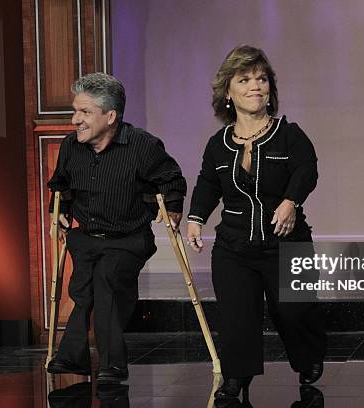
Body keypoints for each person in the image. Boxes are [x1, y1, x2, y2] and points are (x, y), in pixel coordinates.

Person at [187, 45, 326, 400]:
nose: (256, 86)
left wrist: (291, 201)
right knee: (237, 316)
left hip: (285, 243)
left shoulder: (288, 134)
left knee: (295, 314)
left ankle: (308, 358)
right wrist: (195, 218)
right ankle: (236, 376)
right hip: (234, 246)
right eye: (245, 79)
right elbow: (207, 183)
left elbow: (306, 170)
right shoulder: (218, 144)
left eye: (262, 79)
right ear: (228, 92)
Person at [46, 72, 186, 384]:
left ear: (110, 116)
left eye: (84, 112)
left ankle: (112, 364)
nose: (75, 120)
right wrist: (60, 210)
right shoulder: (72, 146)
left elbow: (172, 178)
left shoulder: (142, 145)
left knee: (107, 283)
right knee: (81, 291)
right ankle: (74, 359)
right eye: (75, 110)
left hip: (128, 238)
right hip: (86, 237)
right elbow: (60, 184)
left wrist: (173, 207)